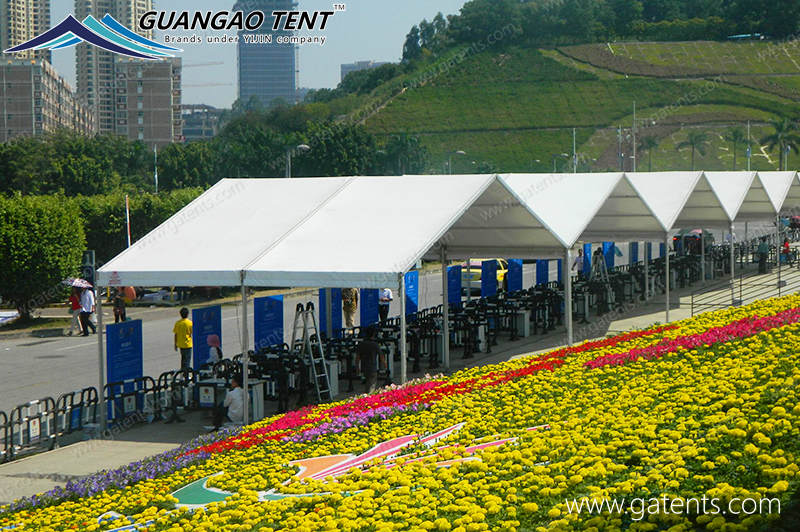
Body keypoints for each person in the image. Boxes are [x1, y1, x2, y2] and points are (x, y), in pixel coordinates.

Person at [355, 326, 379, 393]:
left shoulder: (361, 344)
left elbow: (357, 358)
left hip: (364, 367)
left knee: (368, 383)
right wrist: (385, 365)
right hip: (372, 367)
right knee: (371, 385)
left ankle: (366, 396)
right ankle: (368, 397)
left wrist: (357, 368)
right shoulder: (375, 344)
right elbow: (382, 356)